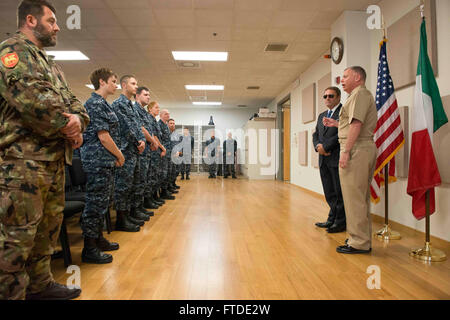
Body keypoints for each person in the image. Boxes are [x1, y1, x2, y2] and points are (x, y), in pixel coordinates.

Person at [0, 0, 90, 300]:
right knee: (16, 238)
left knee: (46, 233)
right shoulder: (12, 52)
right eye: (51, 20)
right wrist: (70, 125)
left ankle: (39, 285)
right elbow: (35, 102)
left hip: (52, 163)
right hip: (22, 164)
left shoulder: (51, 64)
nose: (57, 26)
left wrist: (78, 119)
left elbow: (75, 102)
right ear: (30, 20)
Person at [323, 66, 377, 254]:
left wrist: (346, 151)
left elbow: (357, 124)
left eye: (345, 76)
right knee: (358, 197)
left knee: (354, 198)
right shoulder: (358, 95)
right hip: (360, 147)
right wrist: (337, 124)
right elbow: (352, 123)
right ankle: (360, 238)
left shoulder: (359, 94)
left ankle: (358, 242)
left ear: (358, 77)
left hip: (357, 149)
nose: (342, 80)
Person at [80, 68, 123, 264]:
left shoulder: (104, 104)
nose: (116, 84)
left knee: (102, 202)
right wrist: (119, 154)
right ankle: (89, 247)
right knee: (94, 204)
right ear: (102, 81)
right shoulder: (94, 103)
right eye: (113, 81)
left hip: (104, 160)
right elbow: (104, 137)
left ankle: (97, 239)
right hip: (97, 160)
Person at [112, 75, 147, 232]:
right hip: (126, 150)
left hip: (134, 150)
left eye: (136, 83)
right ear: (124, 85)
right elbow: (126, 127)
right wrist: (138, 141)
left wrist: (142, 140)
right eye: (133, 83)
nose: (135, 86)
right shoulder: (119, 104)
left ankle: (129, 214)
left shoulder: (131, 106)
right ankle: (121, 219)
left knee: (133, 184)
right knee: (123, 186)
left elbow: (138, 126)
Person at [313, 87, 346, 233]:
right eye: (325, 96)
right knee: (329, 191)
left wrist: (326, 147)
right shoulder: (322, 115)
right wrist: (318, 146)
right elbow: (316, 134)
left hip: (336, 156)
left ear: (338, 97)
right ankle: (331, 219)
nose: (327, 98)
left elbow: (343, 133)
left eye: (331, 96)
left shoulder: (344, 113)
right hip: (323, 159)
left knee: (339, 192)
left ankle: (340, 222)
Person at [134, 87, 157, 214]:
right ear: (137, 96)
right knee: (139, 181)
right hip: (139, 151)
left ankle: (140, 206)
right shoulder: (135, 109)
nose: (148, 97)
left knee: (143, 180)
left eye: (149, 94)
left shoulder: (143, 112)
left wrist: (153, 142)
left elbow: (150, 131)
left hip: (146, 150)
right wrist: (153, 141)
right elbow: (142, 129)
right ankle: (135, 209)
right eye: (145, 94)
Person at [147, 101, 166, 206]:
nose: (158, 109)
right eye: (156, 107)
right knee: (151, 176)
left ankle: (154, 197)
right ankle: (149, 199)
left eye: (159, 108)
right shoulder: (149, 119)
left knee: (155, 175)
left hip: (156, 150)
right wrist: (162, 148)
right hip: (153, 151)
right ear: (150, 109)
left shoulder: (154, 120)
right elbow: (154, 136)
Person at [158, 109, 176, 199]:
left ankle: (165, 191)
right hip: (163, 152)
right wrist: (162, 149)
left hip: (168, 152)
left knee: (167, 173)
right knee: (163, 173)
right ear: (161, 115)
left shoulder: (165, 126)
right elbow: (158, 139)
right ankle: (162, 193)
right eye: (166, 114)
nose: (168, 115)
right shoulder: (159, 125)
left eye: (168, 114)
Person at [168, 119, 182, 191]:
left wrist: (179, 152)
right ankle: (170, 185)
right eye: (171, 123)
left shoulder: (177, 134)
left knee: (176, 171)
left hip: (177, 155)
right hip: (170, 155)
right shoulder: (166, 133)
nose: (172, 125)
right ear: (168, 124)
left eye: (173, 123)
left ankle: (173, 183)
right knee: (170, 171)